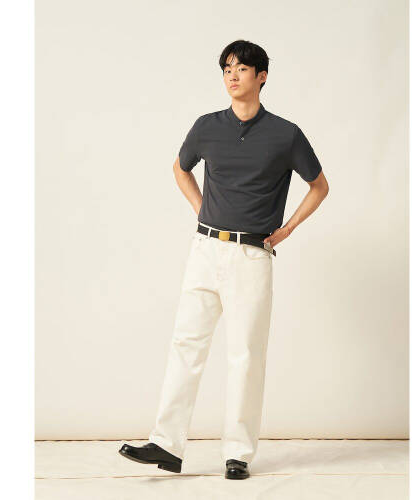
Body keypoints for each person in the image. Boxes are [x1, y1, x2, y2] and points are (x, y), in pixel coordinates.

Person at [119, 39, 329, 480]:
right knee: (186, 343)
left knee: (245, 354)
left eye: (242, 68)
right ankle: (166, 443)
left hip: (252, 255)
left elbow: (319, 186)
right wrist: (203, 210)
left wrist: (288, 229)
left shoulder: (285, 134)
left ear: (262, 77)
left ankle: (238, 453)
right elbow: (180, 168)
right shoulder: (206, 126)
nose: (232, 75)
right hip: (205, 250)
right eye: (226, 68)